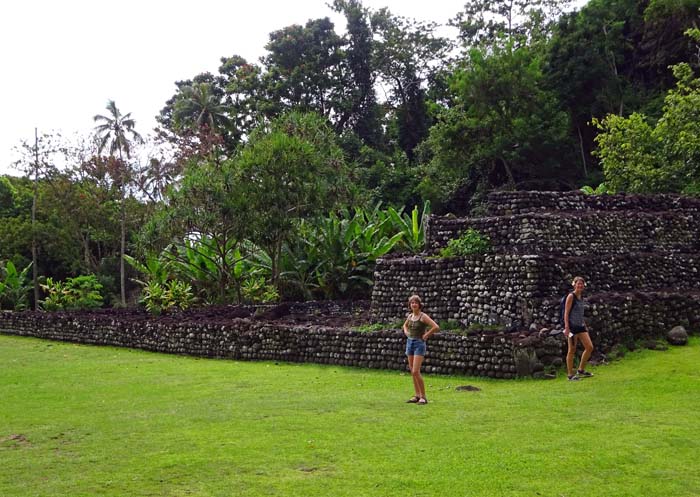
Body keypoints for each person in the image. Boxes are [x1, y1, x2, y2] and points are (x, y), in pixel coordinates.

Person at [403, 295, 440, 404]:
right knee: (412, 371)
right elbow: (404, 326)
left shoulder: (423, 316)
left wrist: (427, 335)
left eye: (416, 302)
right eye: (412, 303)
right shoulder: (410, 316)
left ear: (419, 305)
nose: (414, 304)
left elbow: (436, 327)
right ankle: (417, 395)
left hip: (419, 344)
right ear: (410, 305)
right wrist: (406, 332)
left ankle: (423, 396)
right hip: (410, 342)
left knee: (416, 371)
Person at [564, 276, 594, 381]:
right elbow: (566, 313)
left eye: (582, 284)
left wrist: (584, 324)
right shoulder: (571, 296)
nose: (580, 286)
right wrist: (567, 327)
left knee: (589, 347)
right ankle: (570, 375)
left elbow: (580, 313)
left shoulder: (581, 297)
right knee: (571, 350)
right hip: (572, 327)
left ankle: (581, 369)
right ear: (574, 285)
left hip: (580, 326)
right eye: (578, 284)